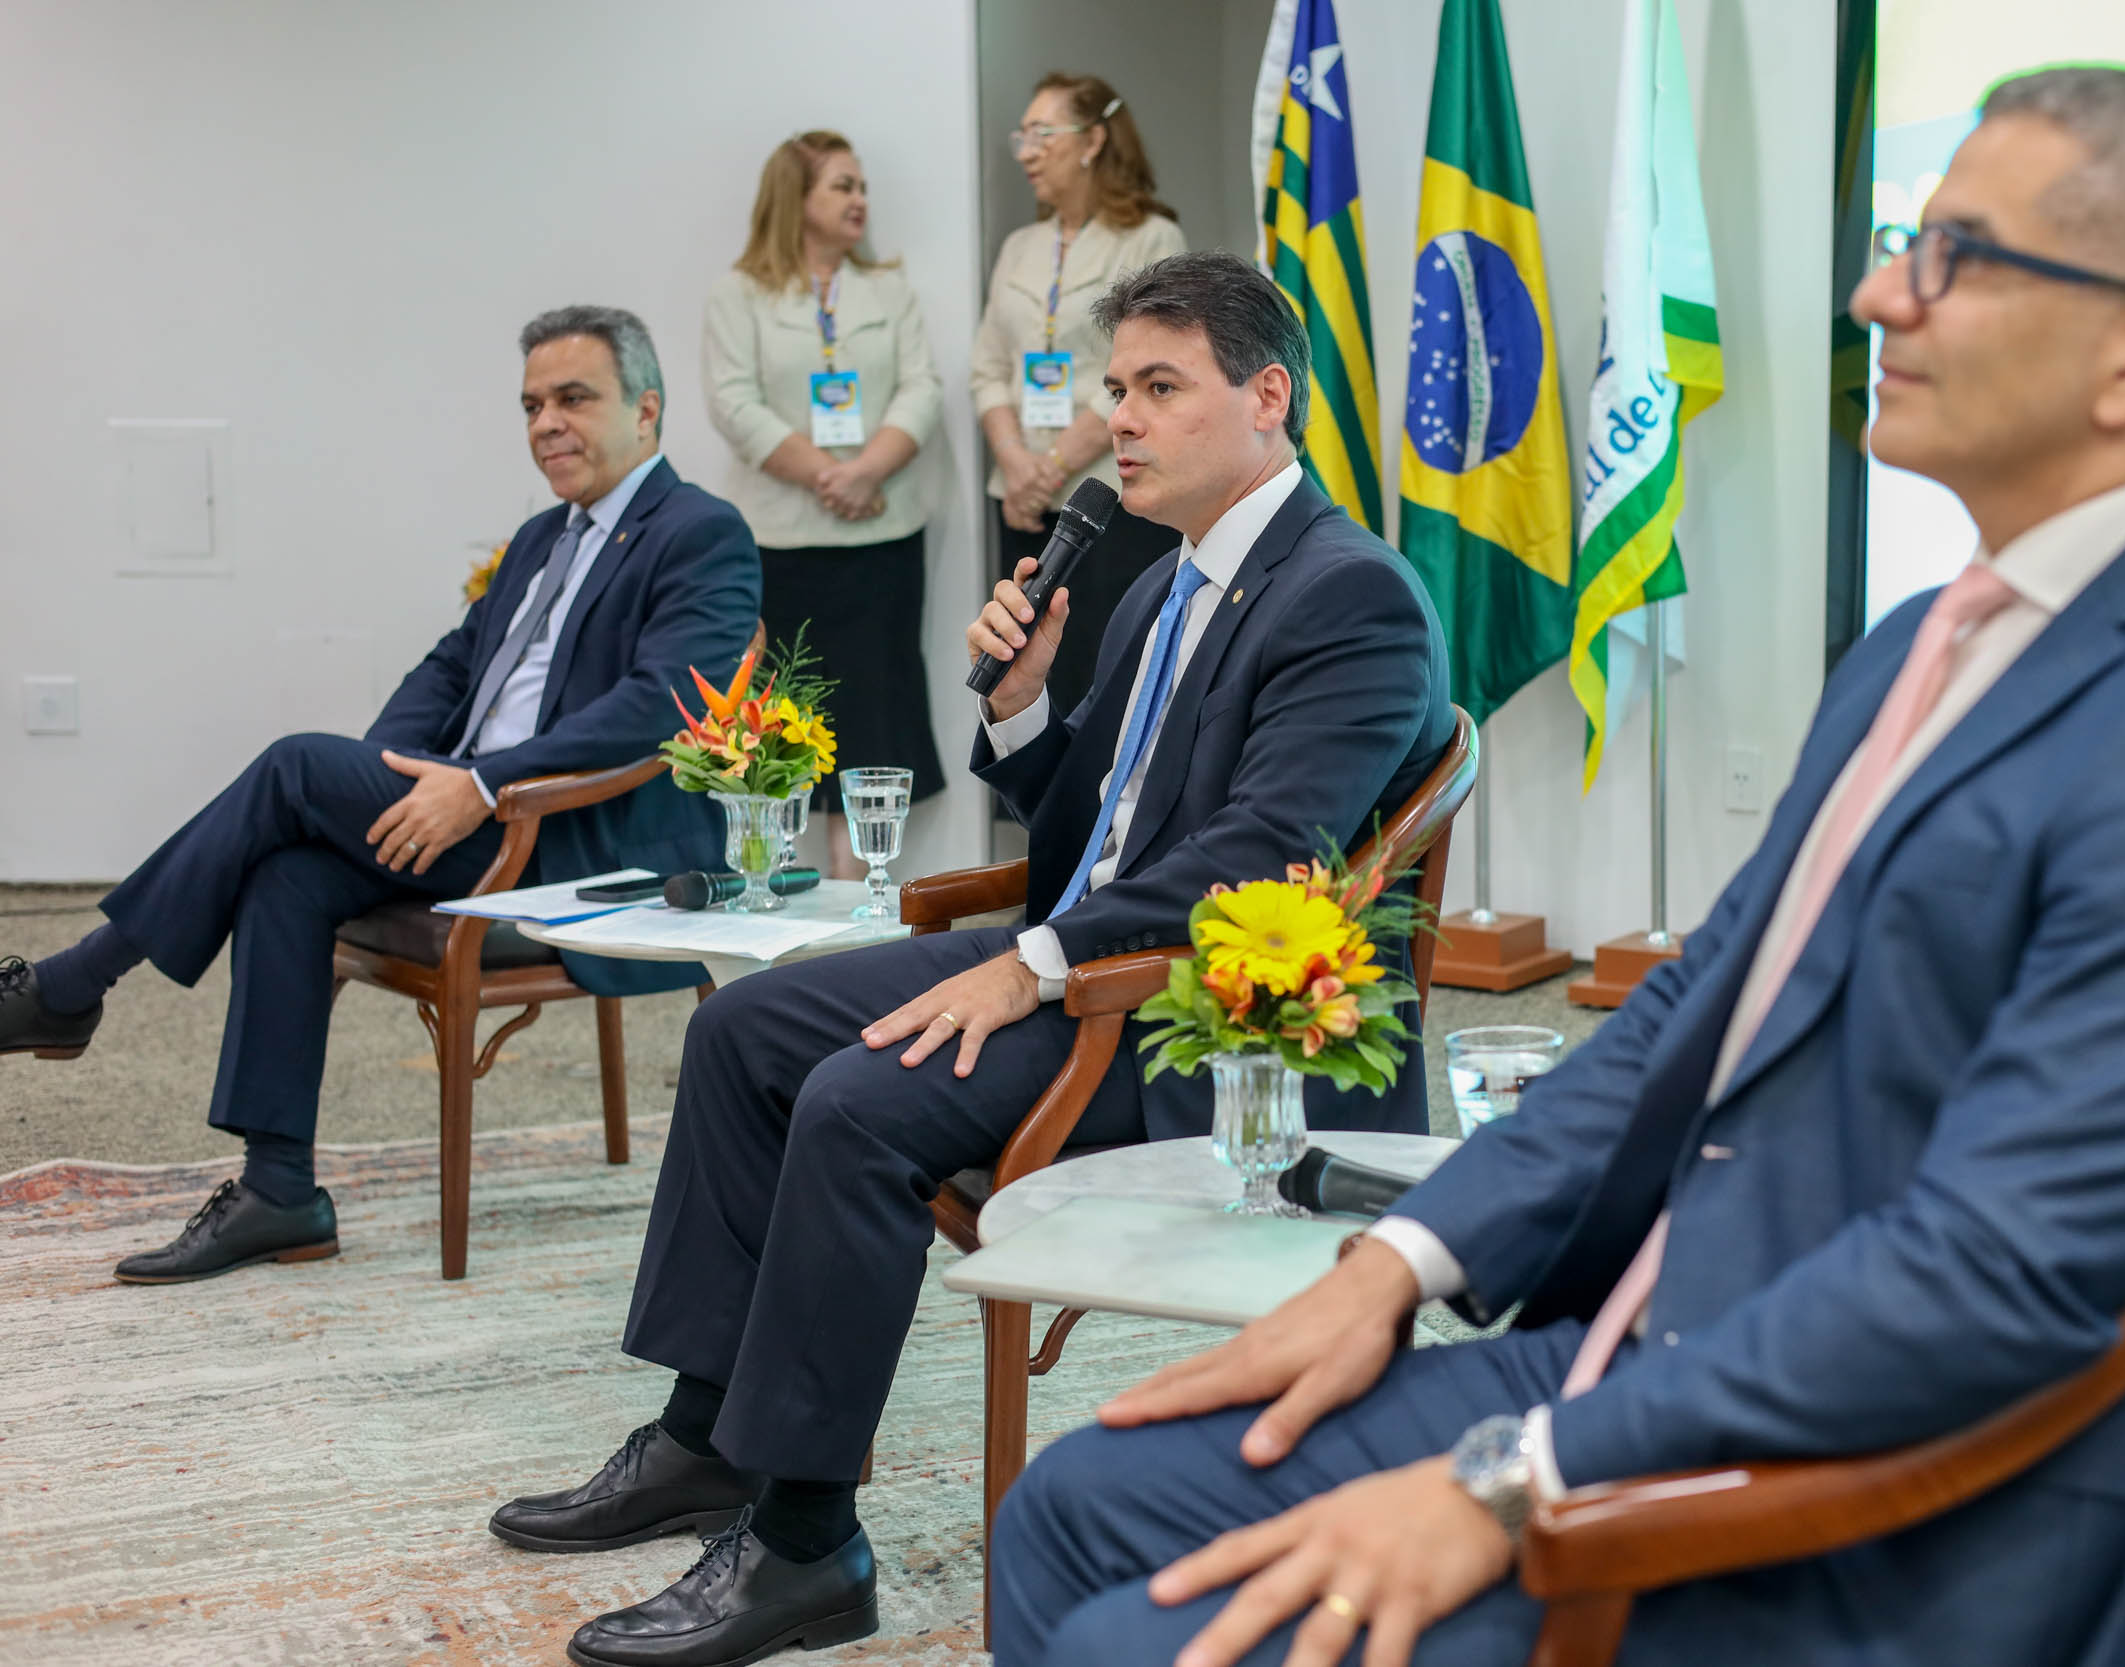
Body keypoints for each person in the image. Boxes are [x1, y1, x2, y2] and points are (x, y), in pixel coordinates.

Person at [988, 69, 2125, 1667]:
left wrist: (1520, 1476)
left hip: (1869, 1507)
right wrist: (1396, 1257)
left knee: (1134, 1638)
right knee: (1077, 1503)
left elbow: (1995, 1275)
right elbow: (1700, 1002)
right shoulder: (1918, 647)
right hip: (1662, 1342)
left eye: (1952, 257)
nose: (1878, 295)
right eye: (1901, 243)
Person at [490, 251, 1453, 1667]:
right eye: (1115, 387)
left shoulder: (1350, 596)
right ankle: (708, 1434)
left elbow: (1257, 858)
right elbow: (1086, 836)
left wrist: (1032, 966)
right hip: (1093, 957)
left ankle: (807, 1545)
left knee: (856, 1100)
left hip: (1209, 1023)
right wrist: (1021, 706)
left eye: (1160, 387)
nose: (1120, 419)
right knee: (744, 1029)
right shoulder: (1158, 585)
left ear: (1268, 398)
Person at [0, 306, 760, 1285]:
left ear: (647, 409)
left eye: (573, 398)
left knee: (294, 766)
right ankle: (280, 1188)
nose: (545, 423)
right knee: (289, 869)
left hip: (578, 838)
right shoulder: (542, 537)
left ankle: (71, 985)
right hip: (472, 811)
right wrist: (394, 783)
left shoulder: (701, 531)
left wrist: (479, 785)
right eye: (531, 404)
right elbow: (449, 670)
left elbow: (665, 703)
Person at [703, 130, 946, 877]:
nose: (860, 200)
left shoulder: (887, 290)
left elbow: (922, 388)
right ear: (795, 196)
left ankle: (862, 886)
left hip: (882, 538)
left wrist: (867, 471)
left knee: (875, 716)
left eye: (862, 186)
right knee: (782, 722)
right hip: (782, 544)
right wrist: (826, 477)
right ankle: (778, 883)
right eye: (843, 185)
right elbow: (733, 402)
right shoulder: (740, 294)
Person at [971, 71, 1186, 713]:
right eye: (1022, 138)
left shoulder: (1151, 238)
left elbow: (1143, 370)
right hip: (1022, 504)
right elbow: (989, 368)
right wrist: (1018, 466)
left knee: (1108, 677)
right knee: (1029, 673)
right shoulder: (1020, 247)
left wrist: (1053, 467)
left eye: (1043, 134)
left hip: (1111, 500)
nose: (1027, 153)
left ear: (1092, 141)